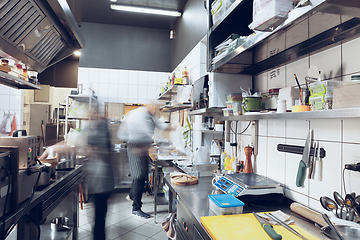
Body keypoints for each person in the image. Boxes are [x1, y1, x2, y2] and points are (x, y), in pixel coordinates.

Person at [39, 112, 114, 240]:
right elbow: (75, 143)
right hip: (101, 181)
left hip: (102, 182)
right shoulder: (97, 129)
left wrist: (52, 149)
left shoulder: (99, 130)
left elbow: (76, 144)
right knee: (99, 219)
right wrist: (52, 148)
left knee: (99, 220)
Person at [118, 104, 173, 219]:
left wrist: (172, 127)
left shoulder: (151, 115)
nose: (153, 110)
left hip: (144, 148)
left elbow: (160, 126)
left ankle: (132, 195)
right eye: (151, 107)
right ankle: (136, 208)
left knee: (142, 175)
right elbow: (124, 131)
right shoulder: (135, 115)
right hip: (134, 147)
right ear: (145, 106)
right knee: (138, 176)